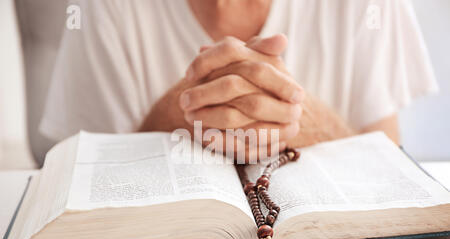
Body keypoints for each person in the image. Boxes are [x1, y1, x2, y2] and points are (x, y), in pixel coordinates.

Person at [39, 0, 438, 161]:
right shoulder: (104, 8)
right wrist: (179, 112)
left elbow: (390, 177)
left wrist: (301, 118)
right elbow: (80, 189)